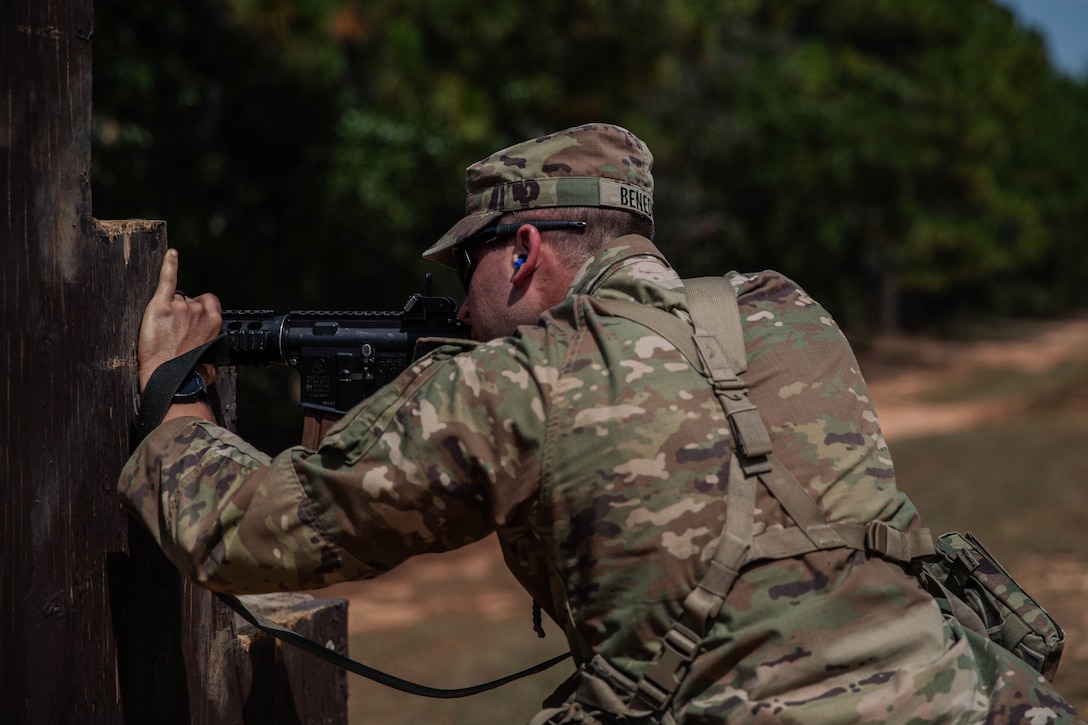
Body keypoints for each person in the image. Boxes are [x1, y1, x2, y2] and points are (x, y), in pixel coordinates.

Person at [120, 123, 1082, 723]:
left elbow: (249, 533)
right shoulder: (789, 311)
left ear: (523, 251)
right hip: (980, 701)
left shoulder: (523, 381)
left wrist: (176, 395)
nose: (461, 308)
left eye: (466, 269)